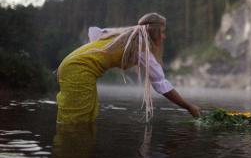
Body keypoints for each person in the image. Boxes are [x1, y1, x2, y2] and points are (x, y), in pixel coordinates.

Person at [56, 12, 201, 124]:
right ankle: (70, 157)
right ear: (154, 32)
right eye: (162, 32)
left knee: (88, 115)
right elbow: (161, 84)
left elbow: (95, 37)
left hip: (72, 65)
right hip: (78, 70)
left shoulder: (125, 36)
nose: (164, 37)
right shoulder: (141, 47)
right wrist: (189, 107)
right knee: (76, 122)